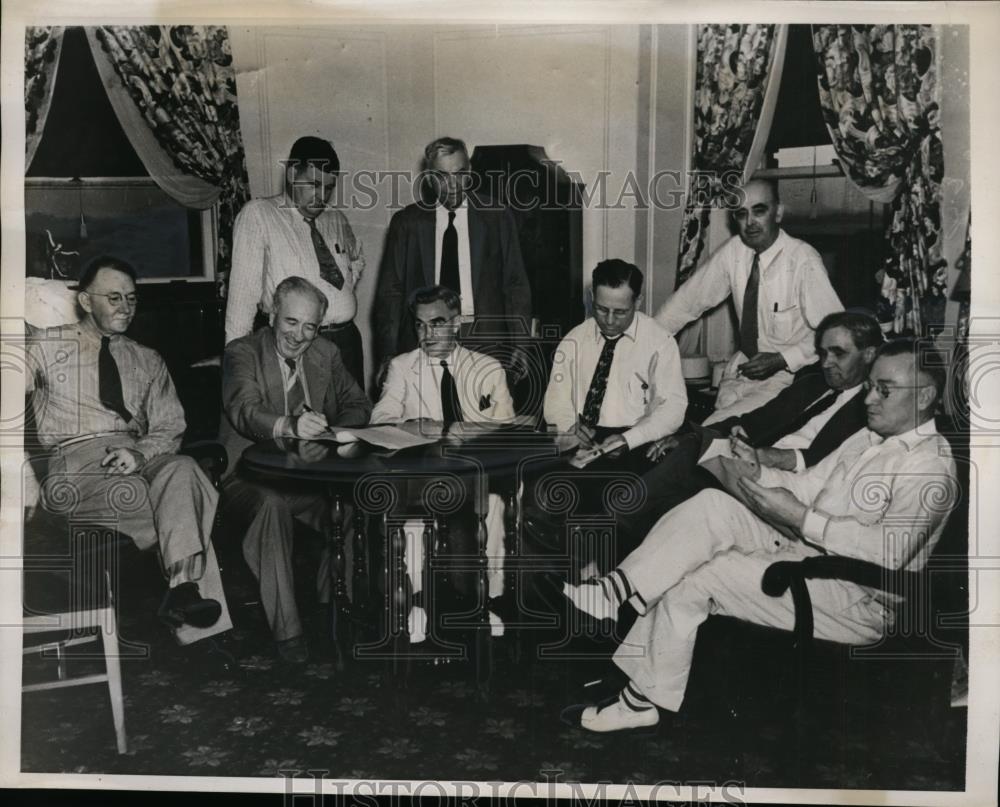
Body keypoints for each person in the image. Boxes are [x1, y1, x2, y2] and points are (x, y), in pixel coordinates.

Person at [561, 339, 958, 733]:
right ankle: (612, 592)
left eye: (884, 390)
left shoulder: (930, 469)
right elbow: (808, 486)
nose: (868, 399)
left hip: (856, 597)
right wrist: (757, 471)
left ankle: (639, 702)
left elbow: (886, 554)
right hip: (806, 552)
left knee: (702, 576)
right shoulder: (868, 439)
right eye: (870, 386)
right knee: (712, 505)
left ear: (924, 396)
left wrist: (800, 518)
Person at [26, 256, 231, 644]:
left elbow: (171, 426)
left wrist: (140, 453)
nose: (126, 307)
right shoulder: (47, 346)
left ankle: (182, 592)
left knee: (185, 471)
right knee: (184, 507)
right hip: (76, 464)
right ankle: (195, 626)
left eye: (132, 298)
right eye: (114, 297)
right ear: (86, 301)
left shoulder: (147, 359)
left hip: (135, 454)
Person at [612, 311, 882, 556]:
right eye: (823, 353)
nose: (826, 363)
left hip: (791, 486)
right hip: (750, 460)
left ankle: (612, 525)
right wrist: (694, 433)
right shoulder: (812, 384)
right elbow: (754, 420)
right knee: (683, 456)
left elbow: (836, 463)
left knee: (689, 461)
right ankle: (623, 548)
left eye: (838, 354)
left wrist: (773, 457)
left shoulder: (875, 409)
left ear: (869, 354)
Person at [219, 276, 372, 663]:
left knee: (353, 505)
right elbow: (244, 410)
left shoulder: (326, 353)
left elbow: (359, 404)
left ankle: (333, 607)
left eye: (310, 326)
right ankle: (288, 632)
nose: (299, 336)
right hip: (247, 477)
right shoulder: (242, 352)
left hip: (305, 477)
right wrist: (290, 426)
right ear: (272, 313)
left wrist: (332, 432)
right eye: (291, 322)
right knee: (270, 506)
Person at [371, 285, 513, 638]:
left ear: (457, 322)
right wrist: (428, 427)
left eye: (436, 323)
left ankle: (484, 599)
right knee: (417, 506)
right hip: (425, 476)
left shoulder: (488, 368)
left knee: (494, 499)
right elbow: (380, 420)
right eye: (419, 325)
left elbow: (507, 427)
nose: (427, 334)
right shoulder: (402, 367)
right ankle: (419, 602)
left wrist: (471, 430)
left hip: (476, 473)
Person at [655, 178, 843, 421]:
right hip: (740, 373)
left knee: (714, 432)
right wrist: (643, 345)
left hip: (788, 379)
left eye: (759, 211)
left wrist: (781, 359)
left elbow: (835, 333)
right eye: (742, 214)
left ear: (778, 213)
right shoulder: (734, 251)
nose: (750, 222)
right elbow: (684, 304)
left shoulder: (803, 260)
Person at [373, 136, 532, 366]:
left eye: (460, 174)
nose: (453, 185)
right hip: (426, 339)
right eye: (442, 176)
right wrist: (387, 352)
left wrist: (521, 344)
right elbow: (390, 293)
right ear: (429, 178)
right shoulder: (407, 223)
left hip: (484, 340)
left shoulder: (496, 216)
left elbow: (515, 284)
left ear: (470, 172)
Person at [226, 136, 367, 387]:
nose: (321, 196)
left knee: (353, 412)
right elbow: (241, 302)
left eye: (329, 187)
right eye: (313, 184)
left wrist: (340, 296)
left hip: (347, 344)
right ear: (292, 174)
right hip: (297, 345)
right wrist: (238, 370)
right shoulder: (259, 214)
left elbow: (352, 267)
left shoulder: (336, 219)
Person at [543, 259, 687, 463]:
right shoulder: (574, 340)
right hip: (580, 442)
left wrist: (629, 439)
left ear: (638, 302)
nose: (609, 320)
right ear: (592, 296)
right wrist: (569, 427)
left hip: (637, 441)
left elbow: (673, 408)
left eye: (620, 312)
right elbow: (556, 401)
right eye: (601, 309)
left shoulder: (660, 342)